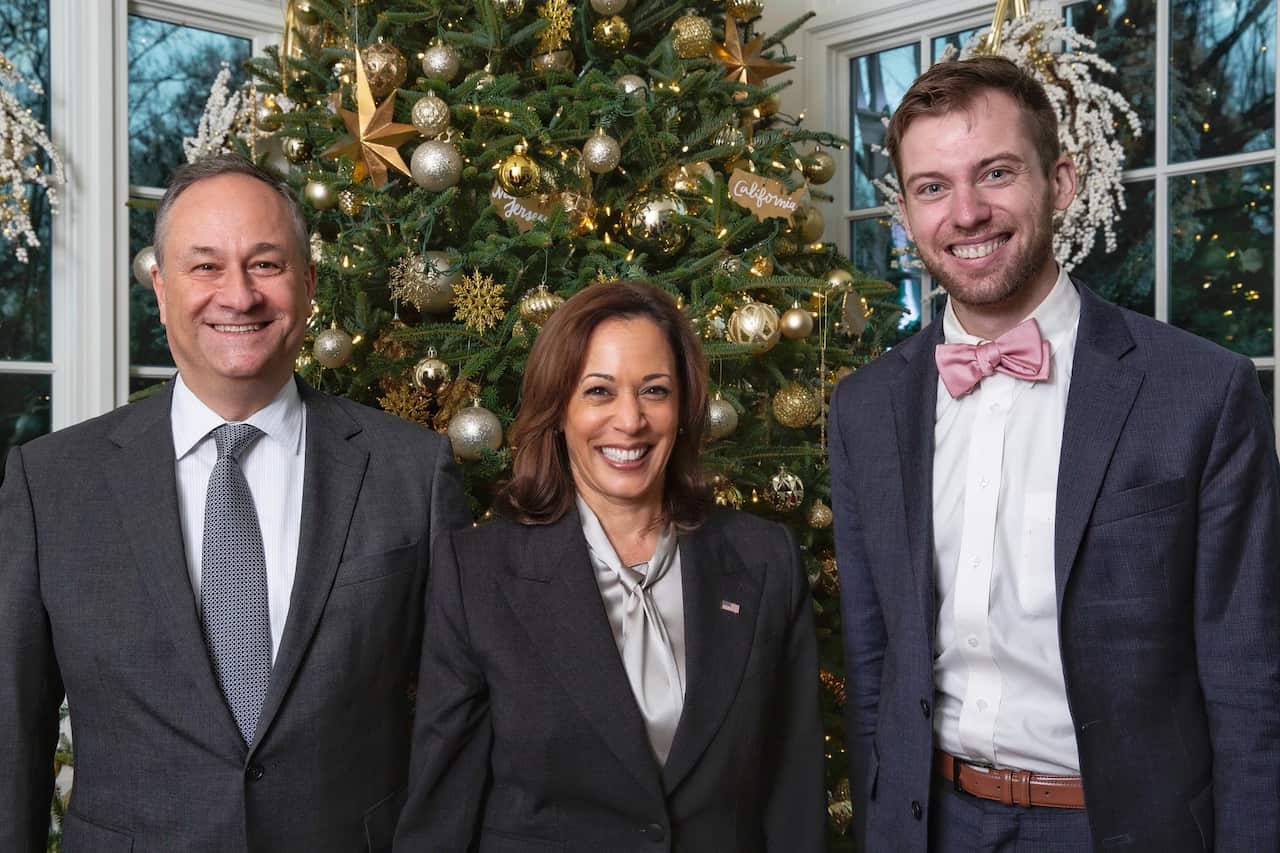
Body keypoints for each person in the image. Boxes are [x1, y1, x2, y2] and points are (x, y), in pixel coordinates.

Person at [829, 56, 1280, 853]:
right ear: (904, 213)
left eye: (995, 173)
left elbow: (1251, 687)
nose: (966, 212)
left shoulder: (1203, 392)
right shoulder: (863, 410)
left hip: (1120, 829)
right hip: (930, 823)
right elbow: (874, 670)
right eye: (933, 187)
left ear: (1062, 180)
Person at [0, 154, 469, 852]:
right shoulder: (50, 483)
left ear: (308, 285)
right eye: (205, 266)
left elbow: (453, 723)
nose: (238, 295)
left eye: (266, 264)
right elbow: (12, 736)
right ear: (160, 289)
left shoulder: (412, 470)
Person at [393, 280, 826, 852]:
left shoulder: (764, 560)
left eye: (654, 390)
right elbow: (442, 812)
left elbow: (792, 794)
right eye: (599, 391)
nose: (630, 420)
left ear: (684, 405)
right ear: (559, 410)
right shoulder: (477, 572)